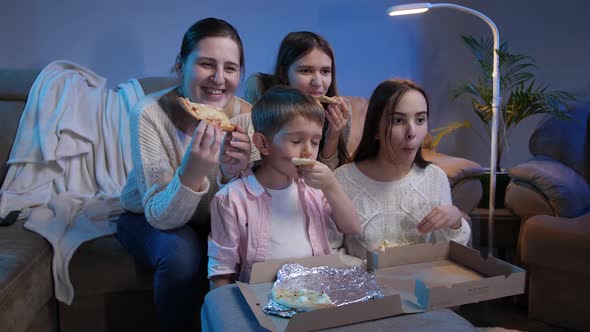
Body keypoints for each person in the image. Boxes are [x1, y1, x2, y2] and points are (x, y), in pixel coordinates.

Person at [116, 18, 252, 332]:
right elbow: (159, 216)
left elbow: (247, 210)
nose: (219, 79)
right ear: (180, 66)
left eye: (230, 68)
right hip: (148, 214)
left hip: (213, 218)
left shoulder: (246, 116)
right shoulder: (149, 113)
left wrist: (235, 176)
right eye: (206, 64)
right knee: (182, 253)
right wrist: (192, 172)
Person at [207, 86, 360, 287]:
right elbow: (221, 273)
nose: (307, 152)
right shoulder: (231, 199)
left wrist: (332, 186)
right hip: (261, 295)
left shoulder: (317, 188)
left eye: (315, 142)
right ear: (263, 144)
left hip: (319, 289)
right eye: (296, 141)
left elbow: (353, 227)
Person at [334, 79, 471, 260]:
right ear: (375, 129)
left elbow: (447, 252)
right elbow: (330, 251)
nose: (411, 132)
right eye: (398, 120)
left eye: (420, 120)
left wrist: (455, 222)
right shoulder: (342, 180)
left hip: (423, 283)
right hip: (361, 285)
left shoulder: (435, 178)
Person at [237, 31, 352, 169]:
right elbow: (258, 161)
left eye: (325, 71)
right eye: (306, 71)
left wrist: (332, 137)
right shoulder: (259, 87)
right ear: (284, 73)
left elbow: (326, 179)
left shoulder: (340, 111)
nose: (318, 82)